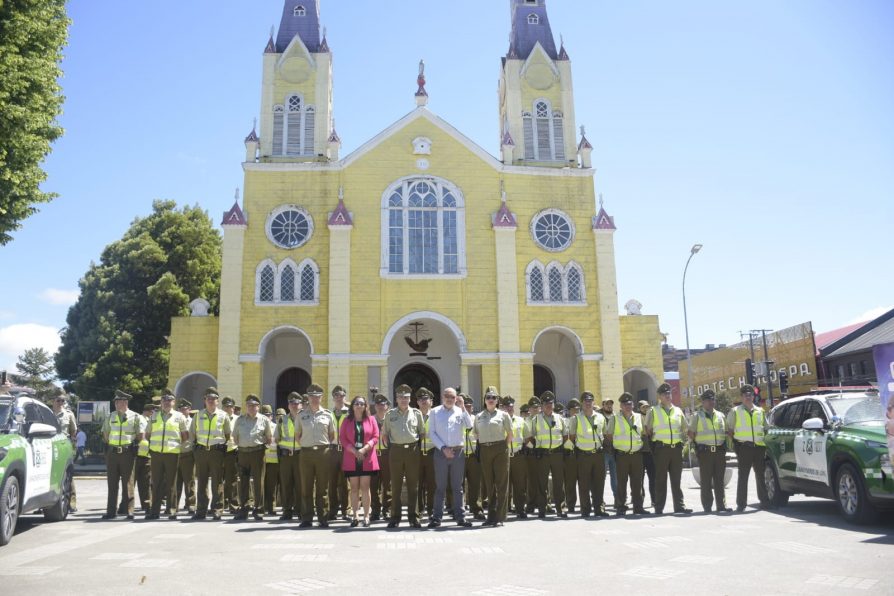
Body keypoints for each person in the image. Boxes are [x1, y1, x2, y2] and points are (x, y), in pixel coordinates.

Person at [427, 387, 474, 528]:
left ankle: (460, 517)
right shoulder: (434, 412)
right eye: (447, 396)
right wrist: (443, 448)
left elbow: (469, 425)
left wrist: (464, 408)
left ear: (456, 398)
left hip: (458, 452)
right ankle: (436, 518)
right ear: (443, 397)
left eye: (452, 397)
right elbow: (432, 433)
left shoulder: (460, 411)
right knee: (440, 486)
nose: (450, 399)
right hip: (441, 453)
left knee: (457, 487)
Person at [645, 383, 692, 515]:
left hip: (676, 449)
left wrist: (684, 444)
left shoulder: (677, 411)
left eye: (669, 393)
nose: (668, 395)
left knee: (676, 480)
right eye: (665, 394)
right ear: (659, 396)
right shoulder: (653, 411)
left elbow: (685, 428)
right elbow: (647, 430)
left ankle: (679, 506)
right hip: (661, 449)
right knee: (660, 480)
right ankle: (659, 507)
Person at [382, 384, 424, 528]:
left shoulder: (416, 414)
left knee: (413, 486)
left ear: (410, 398)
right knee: (396, 486)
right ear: (396, 398)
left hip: (412, 451)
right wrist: (392, 447)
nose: (403, 400)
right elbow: (385, 434)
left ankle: (414, 517)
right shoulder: (390, 414)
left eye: (406, 397)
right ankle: (395, 517)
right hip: (396, 451)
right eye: (401, 397)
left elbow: (422, 433)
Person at [297, 384, 337, 528]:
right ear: (308, 398)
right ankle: (307, 517)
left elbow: (332, 435)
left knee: (322, 487)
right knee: (306, 487)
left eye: (317, 396)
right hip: (306, 453)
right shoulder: (301, 415)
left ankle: (323, 517)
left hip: (323, 453)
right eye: (311, 396)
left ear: (321, 398)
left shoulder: (327, 414)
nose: (314, 399)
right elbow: (298, 435)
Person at [101, 390, 144, 520]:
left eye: (118, 401)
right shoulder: (110, 416)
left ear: (125, 402)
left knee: (128, 483)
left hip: (127, 453)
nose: (116, 404)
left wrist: (130, 446)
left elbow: (140, 435)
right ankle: (111, 511)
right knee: (112, 483)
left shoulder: (136, 417)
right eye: (116, 401)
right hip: (113, 453)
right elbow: (105, 434)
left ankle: (129, 511)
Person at [190, 387, 231, 521]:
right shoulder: (198, 415)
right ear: (204, 401)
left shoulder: (223, 416)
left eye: (213, 399)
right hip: (201, 451)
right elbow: (192, 433)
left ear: (218, 401)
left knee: (217, 482)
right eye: (208, 399)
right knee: (201, 482)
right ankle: (201, 510)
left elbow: (227, 434)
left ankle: (217, 509)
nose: (211, 401)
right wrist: (195, 449)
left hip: (216, 452)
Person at [146, 392, 189, 520]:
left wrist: (174, 445)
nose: (166, 403)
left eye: (169, 401)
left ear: (173, 402)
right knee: (156, 482)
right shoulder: (154, 415)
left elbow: (185, 435)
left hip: (172, 453)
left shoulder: (179, 416)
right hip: (156, 453)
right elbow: (148, 434)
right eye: (164, 400)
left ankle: (171, 510)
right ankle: (155, 511)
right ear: (161, 402)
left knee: (171, 482)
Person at [605, 393, 650, 516]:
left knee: (637, 482)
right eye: (625, 404)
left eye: (630, 404)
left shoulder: (639, 417)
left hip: (636, 454)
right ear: (621, 406)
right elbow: (608, 435)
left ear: (633, 405)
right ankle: (621, 507)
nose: (628, 406)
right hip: (622, 455)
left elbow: (643, 433)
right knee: (621, 482)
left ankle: (638, 507)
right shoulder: (615, 418)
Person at [727, 384, 770, 512]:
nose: (748, 397)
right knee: (743, 476)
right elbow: (729, 430)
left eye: (750, 395)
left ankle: (764, 501)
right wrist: (737, 445)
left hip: (759, 448)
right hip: (744, 447)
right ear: (741, 397)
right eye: (745, 395)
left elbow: (766, 428)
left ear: (753, 396)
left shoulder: (760, 411)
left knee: (761, 476)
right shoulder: (735, 411)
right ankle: (741, 504)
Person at [474, 386, 512, 527]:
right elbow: (476, 434)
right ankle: (490, 516)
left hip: (500, 449)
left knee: (501, 483)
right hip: (485, 449)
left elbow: (510, 434)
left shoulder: (503, 415)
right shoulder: (479, 416)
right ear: (484, 400)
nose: (490, 400)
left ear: (497, 401)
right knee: (489, 484)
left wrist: (503, 448)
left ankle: (500, 517)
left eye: (493, 398)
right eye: (488, 397)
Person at [232, 394, 273, 520]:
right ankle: (243, 508)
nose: (251, 408)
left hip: (258, 453)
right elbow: (235, 437)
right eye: (249, 405)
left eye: (254, 405)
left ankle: (258, 509)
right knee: (242, 481)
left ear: (258, 407)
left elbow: (269, 438)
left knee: (258, 482)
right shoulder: (240, 420)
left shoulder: (264, 420)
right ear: (246, 406)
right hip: (243, 453)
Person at [339, 395, 380, 527]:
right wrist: (354, 451)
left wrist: (364, 449)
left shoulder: (371, 419)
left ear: (365, 406)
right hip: (352, 457)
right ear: (352, 406)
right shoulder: (347, 420)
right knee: (354, 488)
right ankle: (355, 515)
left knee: (365, 487)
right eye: (356, 403)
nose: (359, 406)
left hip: (366, 457)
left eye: (362, 403)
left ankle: (366, 516)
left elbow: (375, 436)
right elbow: (343, 438)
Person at [689, 389, 731, 513]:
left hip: (719, 452)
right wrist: (697, 448)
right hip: (705, 452)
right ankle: (707, 506)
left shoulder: (721, 415)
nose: (711, 402)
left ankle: (721, 505)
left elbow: (726, 432)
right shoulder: (697, 416)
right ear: (703, 402)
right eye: (708, 400)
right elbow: (691, 433)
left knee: (719, 480)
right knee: (706, 481)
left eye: (713, 399)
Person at [527, 391, 567, 518]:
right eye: (546, 404)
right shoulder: (535, 420)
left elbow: (565, 435)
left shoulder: (560, 418)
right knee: (541, 483)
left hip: (557, 454)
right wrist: (536, 448)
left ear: (554, 405)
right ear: (542, 406)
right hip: (542, 455)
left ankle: (561, 508)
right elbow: (529, 437)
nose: (549, 406)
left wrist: (563, 449)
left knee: (559, 482)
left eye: (551, 403)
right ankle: (542, 509)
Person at [571, 392, 609, 517]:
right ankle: (585, 510)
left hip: (598, 454)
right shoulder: (576, 418)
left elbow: (605, 434)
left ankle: (599, 508)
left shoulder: (600, 417)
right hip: (583, 455)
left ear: (593, 403)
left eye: (590, 401)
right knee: (584, 484)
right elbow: (571, 437)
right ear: (582, 403)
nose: (588, 403)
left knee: (599, 483)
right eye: (586, 401)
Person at [275, 392, 303, 521]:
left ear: (301, 405)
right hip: (286, 456)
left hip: (300, 455)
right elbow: (277, 438)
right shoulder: (282, 420)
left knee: (300, 483)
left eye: (297, 403)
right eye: (292, 403)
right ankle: (287, 510)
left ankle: (300, 509)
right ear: (288, 405)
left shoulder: (305, 418)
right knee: (286, 484)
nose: (294, 405)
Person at [327, 385, 351, 521]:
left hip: (346, 451)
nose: (338, 398)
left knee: (345, 482)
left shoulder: (349, 413)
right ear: (333, 398)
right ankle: (333, 510)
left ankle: (346, 510)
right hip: (331, 450)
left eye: (341, 395)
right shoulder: (328, 413)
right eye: (336, 395)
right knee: (332, 482)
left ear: (344, 397)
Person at [502, 396, 528, 519]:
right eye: (507, 406)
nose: (509, 408)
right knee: (504, 485)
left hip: (518, 456)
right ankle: (505, 510)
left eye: (511, 406)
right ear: (502, 407)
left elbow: (527, 437)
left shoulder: (521, 421)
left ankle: (520, 509)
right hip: (504, 456)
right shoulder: (499, 420)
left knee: (520, 485)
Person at [52, 396, 79, 512]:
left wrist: (72, 447)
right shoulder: (47, 413)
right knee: (50, 473)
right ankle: (45, 503)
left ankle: (71, 503)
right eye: (58, 400)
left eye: (63, 401)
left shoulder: (68, 414)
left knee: (68, 475)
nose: (61, 403)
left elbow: (73, 431)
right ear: (53, 401)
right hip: (50, 446)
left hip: (63, 446)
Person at [461, 394, 484, 520]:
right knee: (458, 485)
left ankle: (477, 509)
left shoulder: (477, 419)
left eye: (469, 406)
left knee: (475, 484)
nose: (468, 408)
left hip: (474, 456)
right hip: (460, 455)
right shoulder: (457, 418)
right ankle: (459, 509)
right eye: (465, 406)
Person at [370, 392, 391, 521]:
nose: (380, 407)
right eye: (378, 404)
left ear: (387, 406)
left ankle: (387, 509)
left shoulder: (390, 419)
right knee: (373, 485)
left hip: (387, 454)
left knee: (387, 484)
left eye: (383, 404)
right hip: (372, 455)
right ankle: (375, 510)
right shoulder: (370, 419)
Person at [416, 387, 436, 520]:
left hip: (433, 453)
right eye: (421, 399)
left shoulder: (437, 415)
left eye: (426, 399)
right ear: (417, 402)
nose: (423, 401)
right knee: (417, 484)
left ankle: (432, 510)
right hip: (416, 453)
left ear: (431, 402)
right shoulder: (413, 415)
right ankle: (419, 510)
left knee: (432, 484)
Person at [175, 398, 197, 515]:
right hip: (174, 453)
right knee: (175, 481)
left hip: (188, 454)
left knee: (189, 481)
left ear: (189, 410)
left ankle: (191, 504)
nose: (183, 411)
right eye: (181, 409)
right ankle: (174, 504)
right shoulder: (175, 420)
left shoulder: (193, 421)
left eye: (185, 409)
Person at [135, 402, 155, 512]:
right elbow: (142, 436)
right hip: (137, 455)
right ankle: (126, 505)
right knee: (132, 482)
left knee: (146, 482)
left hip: (145, 455)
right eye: (153, 411)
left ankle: (147, 504)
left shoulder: (148, 420)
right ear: (150, 411)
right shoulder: (141, 419)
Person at [221, 396, 240, 513]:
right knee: (218, 479)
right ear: (222, 407)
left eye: (231, 406)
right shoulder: (219, 417)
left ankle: (233, 504)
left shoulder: (238, 419)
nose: (229, 408)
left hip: (232, 452)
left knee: (232, 479)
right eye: (226, 406)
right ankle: (221, 504)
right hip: (218, 451)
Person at [261, 405, 280, 516]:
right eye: (264, 415)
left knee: (271, 485)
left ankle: (271, 507)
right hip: (261, 460)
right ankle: (261, 507)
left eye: (268, 415)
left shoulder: (275, 427)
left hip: (273, 460)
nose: (267, 417)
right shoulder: (258, 426)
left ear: (271, 416)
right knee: (261, 485)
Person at [524, 397, 541, 514]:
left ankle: (546, 503)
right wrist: (533, 448)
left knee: (542, 480)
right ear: (529, 409)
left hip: (543, 451)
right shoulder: (526, 421)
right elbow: (526, 438)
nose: (536, 409)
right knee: (532, 480)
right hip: (531, 452)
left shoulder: (543, 419)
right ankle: (530, 504)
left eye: (537, 407)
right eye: (533, 407)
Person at [563, 399, 581, 514]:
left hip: (582, 453)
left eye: (578, 409)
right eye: (574, 410)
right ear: (569, 411)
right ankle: (571, 504)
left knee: (585, 481)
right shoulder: (565, 421)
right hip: (569, 454)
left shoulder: (582, 420)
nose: (576, 411)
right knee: (570, 481)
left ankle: (586, 503)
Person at [638, 400, 656, 510]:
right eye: (643, 407)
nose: (646, 409)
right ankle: (640, 500)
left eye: (647, 407)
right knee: (639, 479)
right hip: (640, 453)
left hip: (650, 453)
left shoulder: (652, 417)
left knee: (653, 478)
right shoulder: (637, 418)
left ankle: (654, 500)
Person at [601, 397, 618, 502]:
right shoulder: (598, 417)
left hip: (615, 451)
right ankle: (599, 499)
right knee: (601, 477)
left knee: (615, 477)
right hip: (603, 451)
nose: (609, 406)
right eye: (607, 404)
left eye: (611, 404)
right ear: (603, 405)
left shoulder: (616, 417)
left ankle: (617, 498)